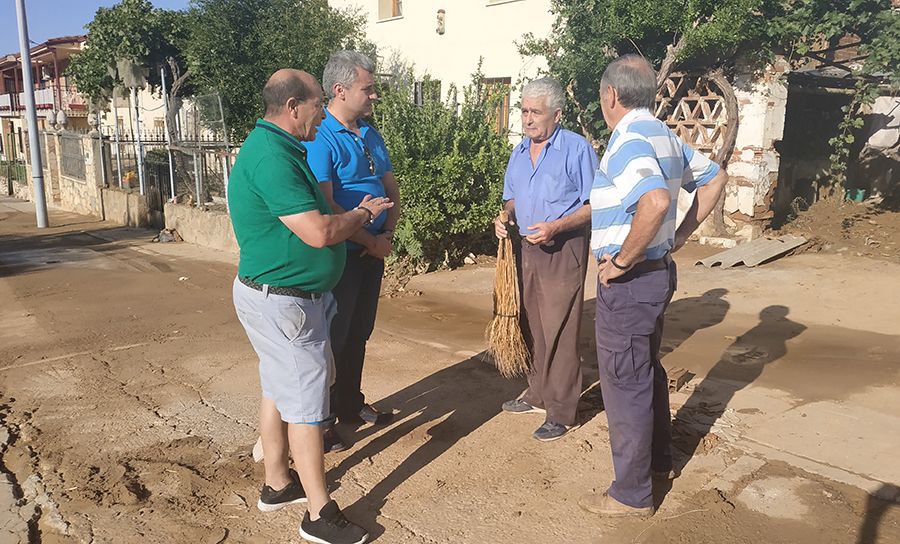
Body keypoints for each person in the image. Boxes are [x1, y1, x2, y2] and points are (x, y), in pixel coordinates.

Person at [229, 68, 392, 544]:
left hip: (281, 297)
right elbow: (318, 232)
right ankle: (319, 516)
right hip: (284, 302)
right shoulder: (272, 157)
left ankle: (278, 482)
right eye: (318, 102)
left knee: (278, 390)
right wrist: (363, 213)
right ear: (293, 106)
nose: (322, 111)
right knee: (304, 403)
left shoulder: (277, 147)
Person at [578, 55, 728, 518]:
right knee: (645, 372)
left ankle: (631, 493)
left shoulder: (627, 139)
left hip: (632, 280)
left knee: (625, 384)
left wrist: (623, 259)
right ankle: (658, 463)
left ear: (610, 96)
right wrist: (678, 238)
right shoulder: (664, 135)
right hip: (656, 274)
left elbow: (655, 200)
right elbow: (715, 177)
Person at [306, 51, 401, 452]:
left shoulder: (369, 133)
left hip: (373, 250)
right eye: (369, 88)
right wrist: (368, 238)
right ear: (340, 90)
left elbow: (389, 183)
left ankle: (350, 404)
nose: (375, 95)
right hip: (345, 253)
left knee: (360, 332)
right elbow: (327, 205)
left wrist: (388, 234)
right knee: (334, 338)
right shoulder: (321, 136)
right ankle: (323, 419)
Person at [495, 77, 599, 442]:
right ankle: (537, 392)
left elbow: (594, 204)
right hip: (526, 249)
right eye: (523, 111)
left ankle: (562, 410)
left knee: (561, 327)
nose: (527, 119)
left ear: (557, 114)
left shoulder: (576, 149)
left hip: (563, 248)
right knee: (533, 323)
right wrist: (504, 216)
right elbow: (512, 198)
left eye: (534, 112)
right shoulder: (520, 152)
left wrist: (556, 227)